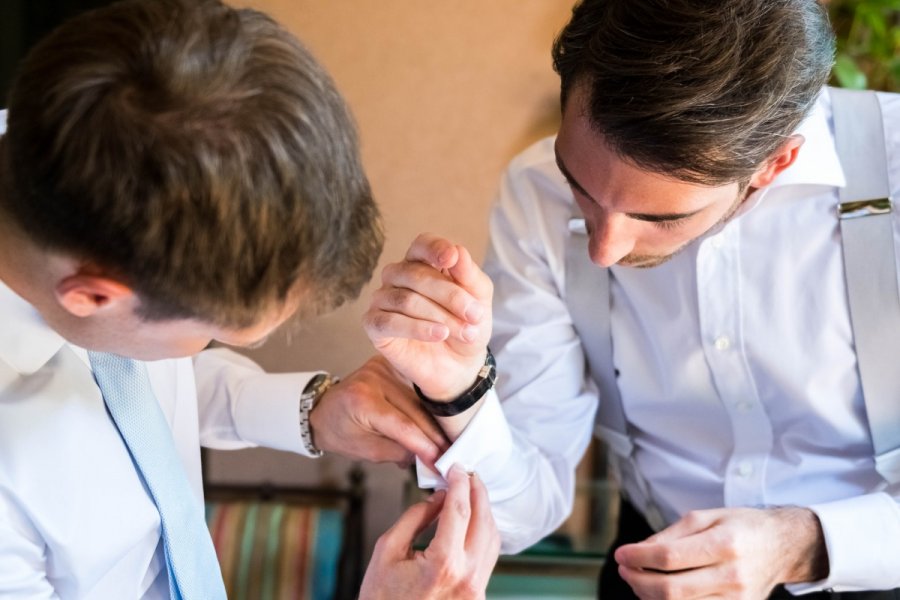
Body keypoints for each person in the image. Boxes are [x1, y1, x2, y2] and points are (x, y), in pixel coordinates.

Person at [365, 0, 900, 598]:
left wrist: (805, 542)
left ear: (775, 164)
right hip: (646, 576)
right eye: (581, 188)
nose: (604, 249)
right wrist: (457, 389)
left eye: (658, 216)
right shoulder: (535, 191)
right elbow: (521, 513)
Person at [0, 0, 499, 598]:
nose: (196, 351)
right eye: (216, 333)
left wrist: (314, 412)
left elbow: (125, 374)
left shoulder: (65, 161)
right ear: (92, 296)